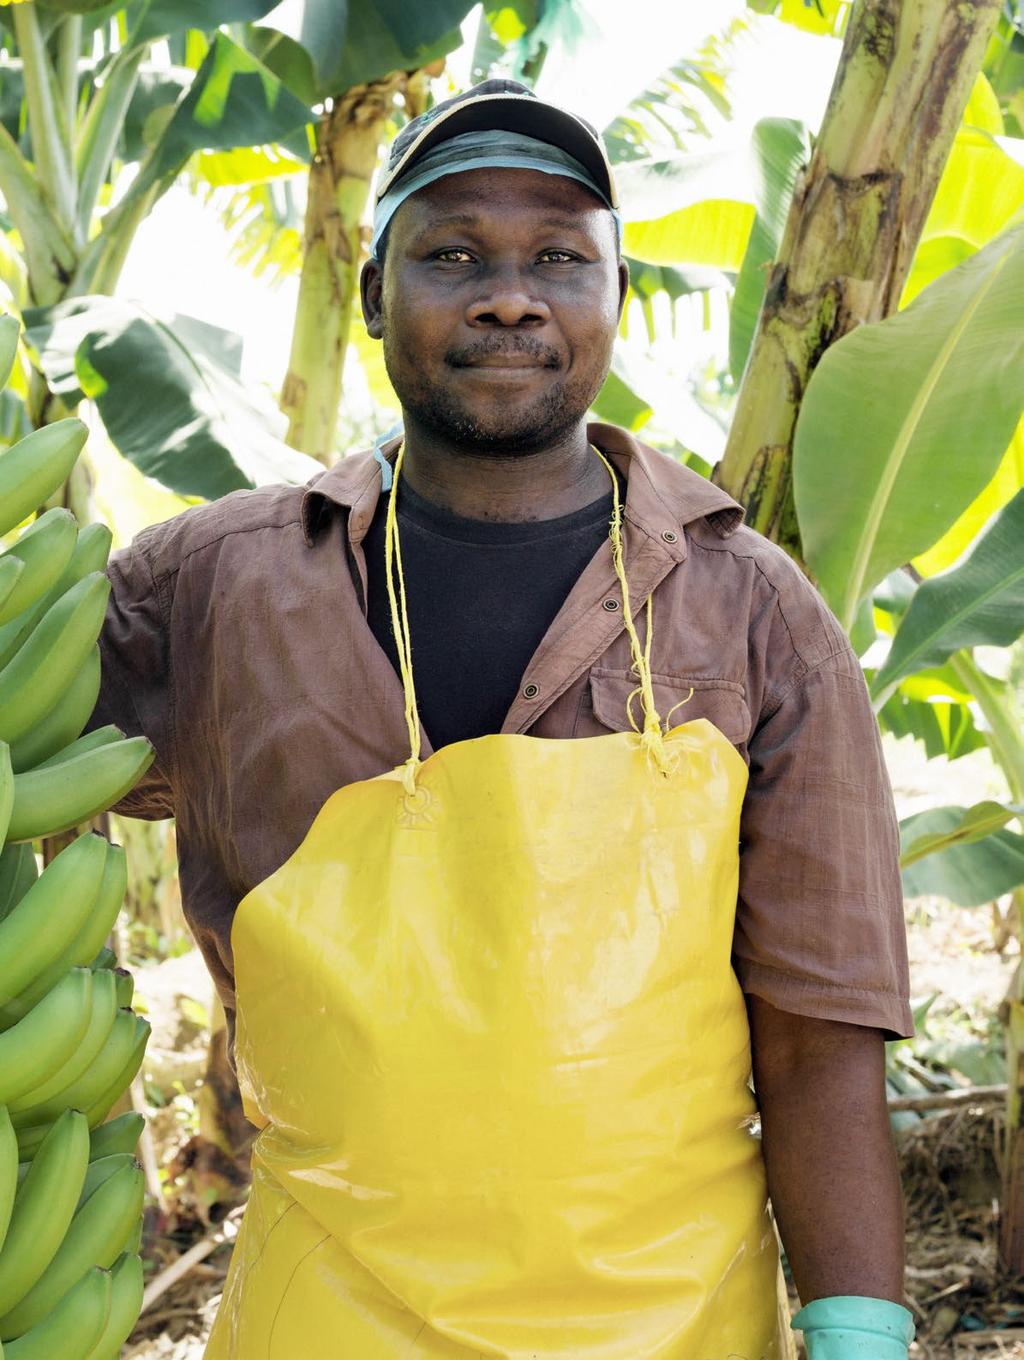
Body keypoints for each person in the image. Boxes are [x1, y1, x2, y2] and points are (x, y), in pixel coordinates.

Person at [89, 80, 917, 1359]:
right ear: (374, 294)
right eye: (454, 253)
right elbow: (29, 766)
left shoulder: (749, 613)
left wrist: (858, 1332)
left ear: (612, 303)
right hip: (330, 1312)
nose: (509, 295)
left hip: (670, 1324)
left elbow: (816, 1036)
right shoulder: (208, 588)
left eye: (559, 260)